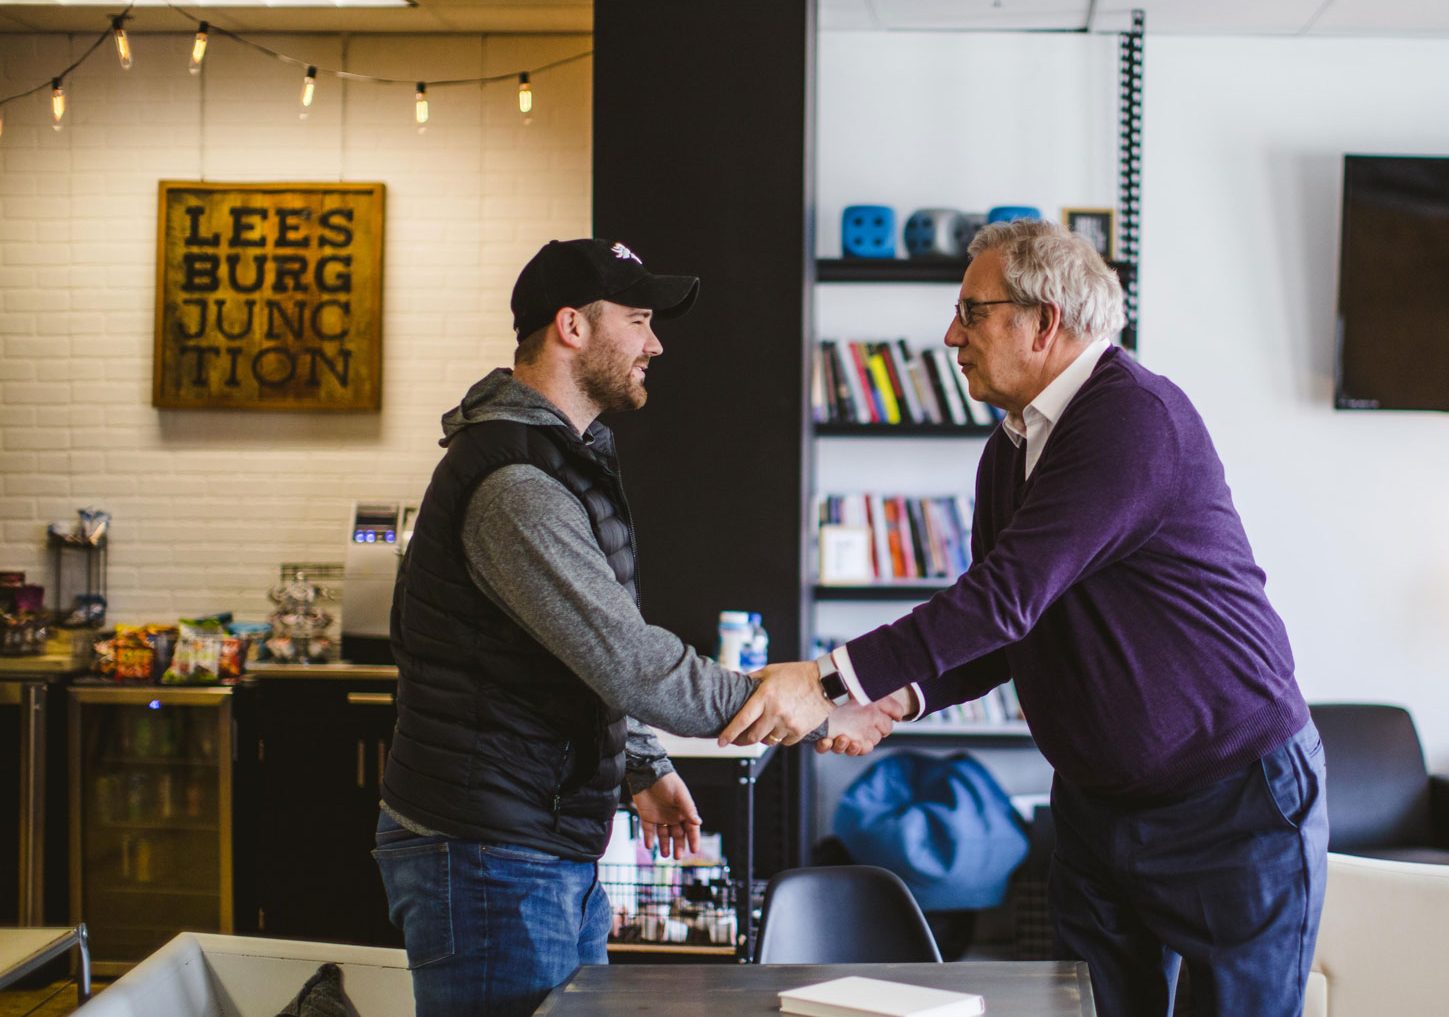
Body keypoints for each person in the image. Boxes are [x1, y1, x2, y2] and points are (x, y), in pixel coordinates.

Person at [720, 220, 1327, 1017]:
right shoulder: (1008, 449)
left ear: (1043, 321)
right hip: (1096, 805)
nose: (949, 335)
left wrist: (825, 677)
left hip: (1230, 801)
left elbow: (1003, 595)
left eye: (972, 311)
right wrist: (896, 697)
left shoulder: (1132, 418)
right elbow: (1010, 622)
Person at [375, 238, 901, 1017]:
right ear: (572, 327)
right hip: (489, 853)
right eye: (639, 319)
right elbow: (633, 662)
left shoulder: (558, 460)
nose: (655, 343)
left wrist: (641, 763)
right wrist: (821, 706)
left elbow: (581, 648)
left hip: (531, 844)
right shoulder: (516, 485)